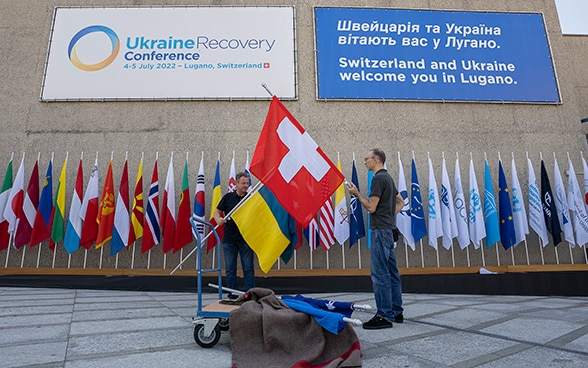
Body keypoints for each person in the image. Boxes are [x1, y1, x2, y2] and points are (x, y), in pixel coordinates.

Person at [347, 148, 405, 329]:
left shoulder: (378, 179)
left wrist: (357, 194)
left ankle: (383, 316)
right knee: (392, 273)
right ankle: (396, 311)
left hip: (380, 232)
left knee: (379, 274)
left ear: (377, 160)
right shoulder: (388, 178)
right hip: (388, 230)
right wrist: (389, 217)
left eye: (367, 159)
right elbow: (401, 202)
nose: (365, 162)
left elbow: (371, 208)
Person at [214, 172, 255, 298]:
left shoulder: (250, 199)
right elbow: (217, 211)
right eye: (243, 183)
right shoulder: (228, 197)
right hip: (229, 239)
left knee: (248, 268)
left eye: (247, 183)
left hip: (245, 238)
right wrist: (218, 220)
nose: (245, 186)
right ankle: (232, 294)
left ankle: (249, 294)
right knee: (230, 269)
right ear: (236, 184)